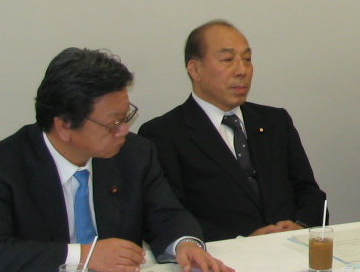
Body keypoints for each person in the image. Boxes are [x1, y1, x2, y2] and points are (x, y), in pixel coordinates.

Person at [0, 49, 233, 272]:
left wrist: (185, 243)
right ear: (64, 125)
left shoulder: (135, 154)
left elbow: (167, 215)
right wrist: (84, 256)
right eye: (113, 123)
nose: (124, 130)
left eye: (126, 117)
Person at [139, 21, 326, 241]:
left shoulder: (275, 121)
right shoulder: (163, 134)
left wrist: (300, 226)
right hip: (221, 255)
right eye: (228, 60)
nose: (242, 70)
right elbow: (167, 216)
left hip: (291, 249)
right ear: (195, 70)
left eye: (247, 59)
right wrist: (241, 241)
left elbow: (309, 192)